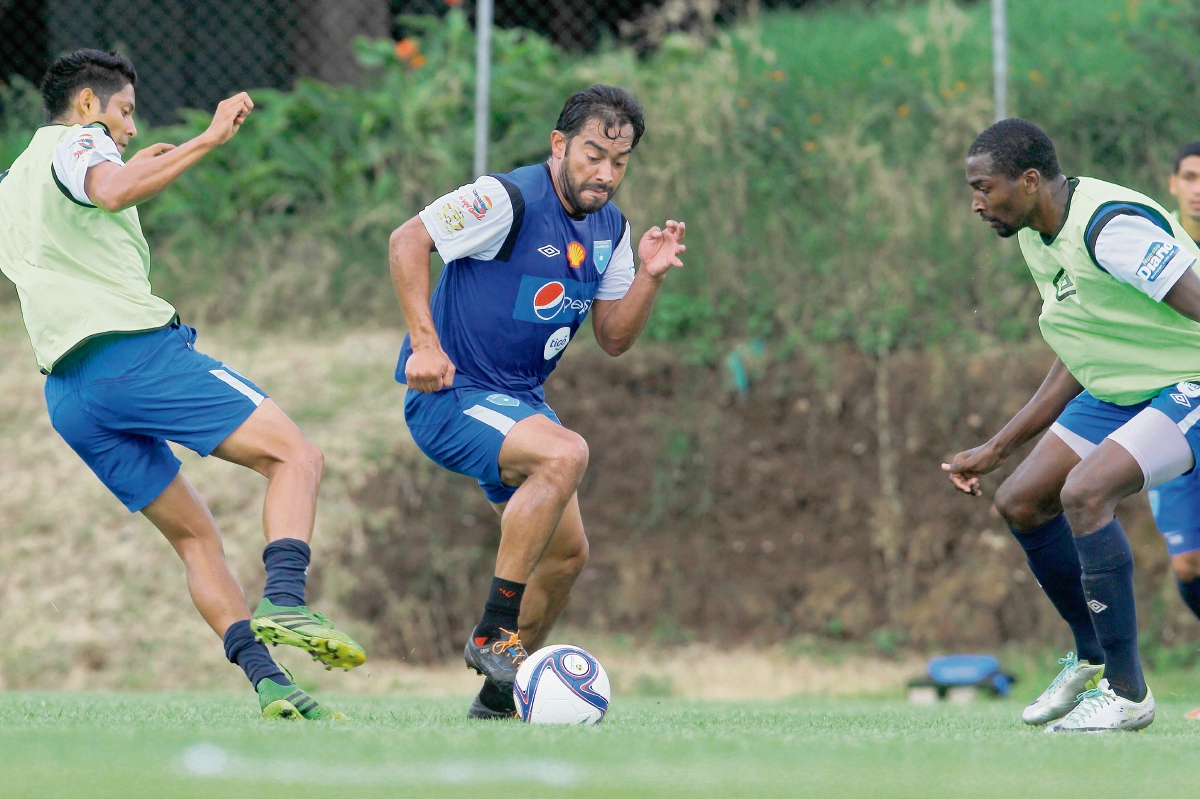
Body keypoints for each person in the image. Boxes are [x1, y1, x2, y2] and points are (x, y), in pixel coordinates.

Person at [0, 49, 365, 720]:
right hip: (131, 356)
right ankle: (285, 599)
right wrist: (207, 138)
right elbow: (107, 190)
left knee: (196, 539)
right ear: (87, 104)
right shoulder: (81, 141)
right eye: (125, 113)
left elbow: (81, 214)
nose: (130, 129)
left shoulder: (13, 178)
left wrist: (134, 167)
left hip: (70, 394)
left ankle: (271, 684)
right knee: (297, 456)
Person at [389, 85, 686, 719]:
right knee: (566, 452)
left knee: (567, 556)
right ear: (559, 146)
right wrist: (424, 345)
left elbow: (613, 338)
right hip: (451, 393)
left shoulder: (612, 229)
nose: (604, 174)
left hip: (518, 402)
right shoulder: (506, 198)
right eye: (591, 155)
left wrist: (651, 277)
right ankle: (493, 631)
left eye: (619, 161)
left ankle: (498, 699)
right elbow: (407, 241)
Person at [944, 118, 1200, 732]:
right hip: (1123, 386)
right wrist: (1000, 446)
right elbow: (1082, 346)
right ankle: (1091, 656)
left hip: (1188, 379)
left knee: (1086, 492)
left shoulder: (1109, 230)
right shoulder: (1037, 230)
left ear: (1029, 181)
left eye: (985, 188)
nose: (977, 204)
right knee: (1022, 501)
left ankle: (1128, 691)